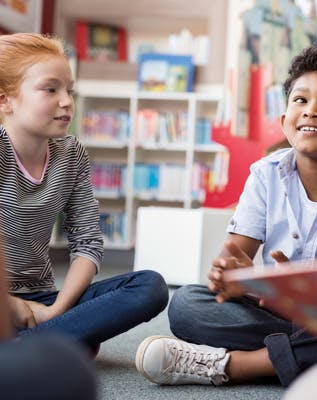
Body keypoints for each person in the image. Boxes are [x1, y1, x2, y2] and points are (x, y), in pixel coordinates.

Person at [135, 44, 317, 387]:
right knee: (187, 304)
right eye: (301, 100)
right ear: (284, 120)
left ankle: (234, 365)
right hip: (275, 310)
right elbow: (232, 259)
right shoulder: (265, 173)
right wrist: (231, 276)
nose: (312, 111)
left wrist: (314, 301)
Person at [0, 32, 169, 351]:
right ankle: (58, 343)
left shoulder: (72, 153)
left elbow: (88, 241)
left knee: (151, 287)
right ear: (5, 100)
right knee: (84, 342)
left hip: (43, 297)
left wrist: (55, 312)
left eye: (69, 90)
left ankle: (35, 344)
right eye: (51, 89)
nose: (66, 101)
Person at [0, 233, 97, 400]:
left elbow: (87, 245)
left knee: (147, 286)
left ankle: (35, 332)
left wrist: (54, 311)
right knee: (69, 367)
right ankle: (67, 332)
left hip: (44, 299)